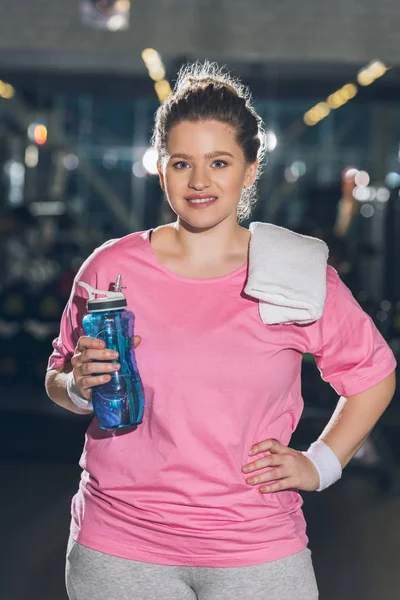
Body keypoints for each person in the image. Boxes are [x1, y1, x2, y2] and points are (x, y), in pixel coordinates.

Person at [45, 62, 396, 600]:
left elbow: (373, 374)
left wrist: (320, 463)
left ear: (250, 170)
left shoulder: (293, 272)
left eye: (220, 162)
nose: (200, 181)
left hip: (256, 546)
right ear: (161, 169)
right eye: (182, 163)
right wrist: (75, 385)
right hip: (120, 543)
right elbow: (59, 374)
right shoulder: (111, 269)